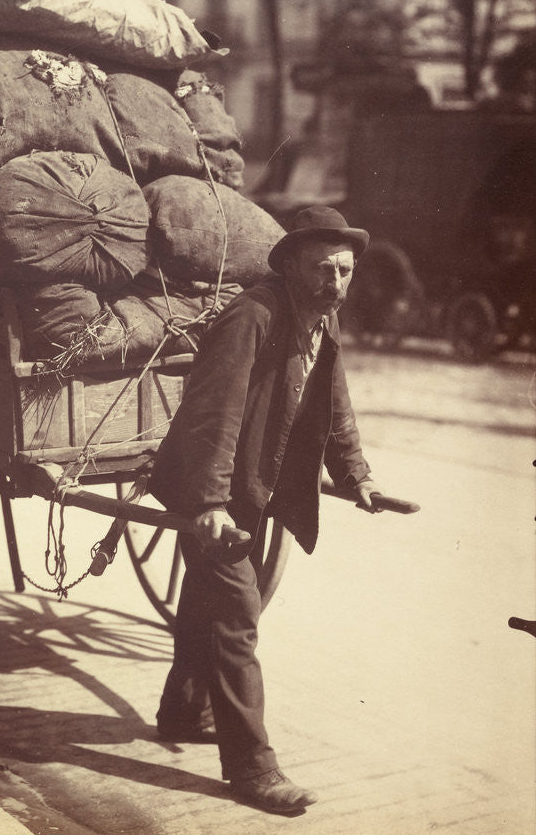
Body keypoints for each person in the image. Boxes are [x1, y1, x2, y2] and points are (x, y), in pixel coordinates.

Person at [148, 205, 386, 816]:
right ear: (290, 266)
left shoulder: (319, 322)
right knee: (236, 610)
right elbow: (213, 411)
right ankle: (252, 767)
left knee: (211, 595)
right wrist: (207, 502)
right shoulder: (253, 316)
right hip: (216, 486)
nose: (334, 283)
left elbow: (334, 403)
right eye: (321, 270)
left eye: (344, 271)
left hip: (252, 485)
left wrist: (356, 475)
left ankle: (183, 708)